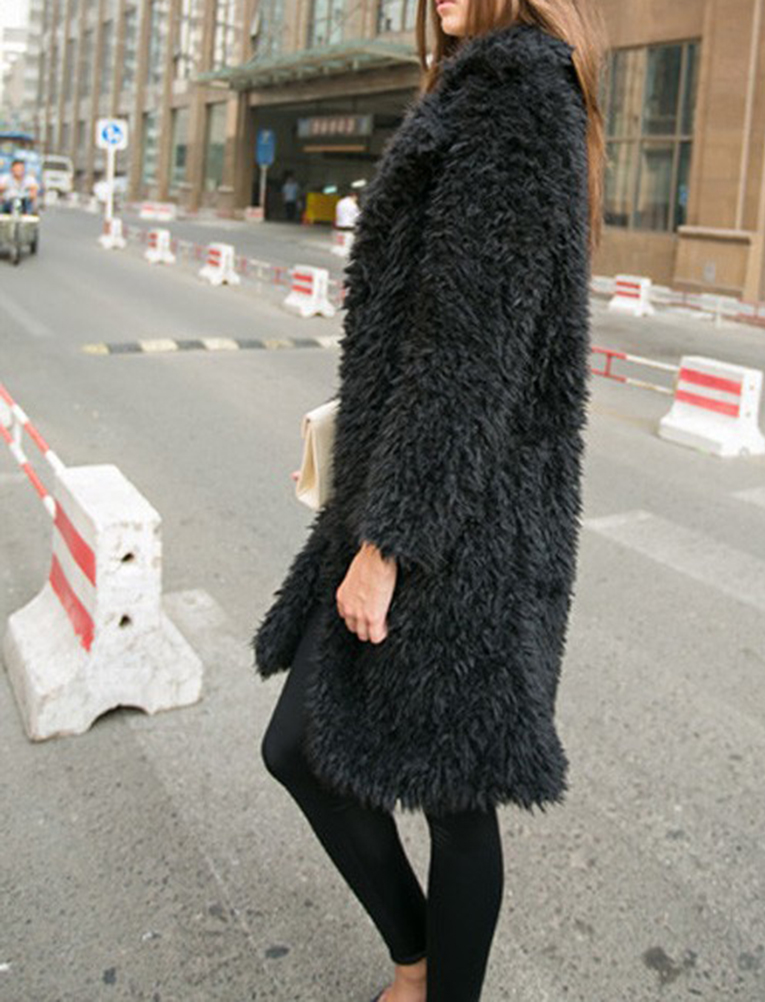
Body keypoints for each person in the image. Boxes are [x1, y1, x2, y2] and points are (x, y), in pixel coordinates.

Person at [255, 1, 606, 1000]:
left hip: (461, 520)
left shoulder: (516, 94)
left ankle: (431, 986)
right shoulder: (478, 87)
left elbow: (470, 357)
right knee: (315, 751)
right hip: (421, 486)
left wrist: (389, 546)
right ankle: (419, 968)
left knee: (448, 793)